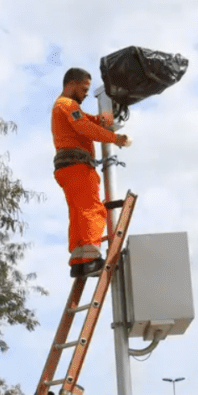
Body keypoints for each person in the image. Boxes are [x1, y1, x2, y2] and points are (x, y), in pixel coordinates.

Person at [52, 67, 130, 278]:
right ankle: (91, 259)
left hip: (68, 168)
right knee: (92, 209)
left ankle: (79, 261)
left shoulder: (65, 107)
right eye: (84, 88)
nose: (86, 93)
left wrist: (106, 117)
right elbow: (85, 128)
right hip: (77, 166)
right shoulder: (67, 105)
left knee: (78, 213)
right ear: (71, 84)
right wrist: (115, 139)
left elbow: (89, 122)